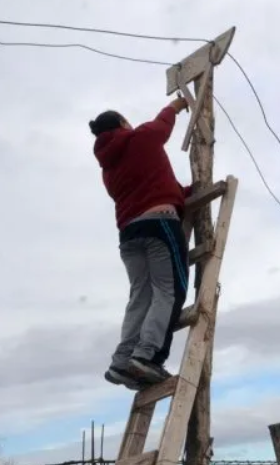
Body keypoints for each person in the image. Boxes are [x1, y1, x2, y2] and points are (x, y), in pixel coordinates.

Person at [89, 97, 192, 390]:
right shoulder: (139, 139)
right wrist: (176, 105)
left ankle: (122, 361)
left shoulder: (108, 169)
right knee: (169, 290)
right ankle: (147, 357)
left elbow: (144, 187)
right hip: (159, 224)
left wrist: (182, 194)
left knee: (140, 297)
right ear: (123, 123)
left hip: (129, 235)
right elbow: (160, 127)